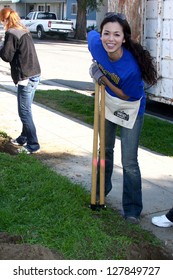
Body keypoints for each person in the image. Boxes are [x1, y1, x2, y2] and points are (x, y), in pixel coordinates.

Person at [88, 12, 157, 224]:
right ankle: (100, 192)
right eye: (106, 33)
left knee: (129, 161)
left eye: (116, 35)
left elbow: (125, 95)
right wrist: (95, 64)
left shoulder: (131, 69)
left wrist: (100, 77)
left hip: (131, 106)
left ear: (124, 38)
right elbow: (90, 36)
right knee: (104, 150)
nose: (110, 39)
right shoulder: (95, 44)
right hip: (108, 102)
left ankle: (132, 209)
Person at [0, 7, 41, 154]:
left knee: (24, 112)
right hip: (34, 73)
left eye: (2, 21)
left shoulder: (11, 32)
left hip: (26, 76)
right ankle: (23, 137)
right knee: (26, 110)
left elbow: (6, 56)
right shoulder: (23, 30)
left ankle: (33, 144)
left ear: (5, 20)